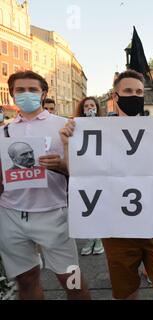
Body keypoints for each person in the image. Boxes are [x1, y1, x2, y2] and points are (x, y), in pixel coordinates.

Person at [60, 70, 153, 300]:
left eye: (139, 92)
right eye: (128, 91)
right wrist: (68, 144)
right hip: (116, 229)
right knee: (126, 295)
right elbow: (79, 174)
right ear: (115, 96)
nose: (135, 96)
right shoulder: (95, 132)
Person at [0, 71, 90, 300]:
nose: (26, 94)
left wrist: (61, 165)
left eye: (33, 89)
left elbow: (85, 174)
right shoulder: (3, 131)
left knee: (73, 280)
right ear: (11, 94)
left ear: (43, 93)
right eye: (20, 90)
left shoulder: (66, 126)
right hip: (10, 214)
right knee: (26, 279)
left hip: (54, 212)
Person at [73, 97, 105, 257]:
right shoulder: (76, 125)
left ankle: (99, 238)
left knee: (98, 204)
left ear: (97, 108)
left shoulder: (105, 125)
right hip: (84, 172)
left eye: (92, 105)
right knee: (86, 206)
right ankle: (90, 238)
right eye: (86, 106)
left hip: (100, 171)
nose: (90, 108)